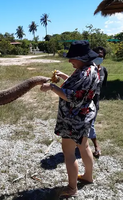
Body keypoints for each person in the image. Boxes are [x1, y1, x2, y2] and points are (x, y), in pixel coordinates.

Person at [40, 40, 100, 198]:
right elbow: (79, 88)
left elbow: (73, 97)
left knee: (68, 153)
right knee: (84, 147)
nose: (69, 60)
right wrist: (64, 77)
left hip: (74, 120)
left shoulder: (84, 73)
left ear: (81, 58)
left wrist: (52, 87)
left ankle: (72, 188)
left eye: (72, 57)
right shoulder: (91, 68)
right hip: (85, 115)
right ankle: (88, 176)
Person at [89, 47, 108, 158]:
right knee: (90, 124)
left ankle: (82, 143)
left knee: (90, 123)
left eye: (101, 56)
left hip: (95, 101)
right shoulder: (87, 69)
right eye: (96, 55)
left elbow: (103, 85)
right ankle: (96, 146)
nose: (98, 58)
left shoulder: (104, 70)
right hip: (85, 100)